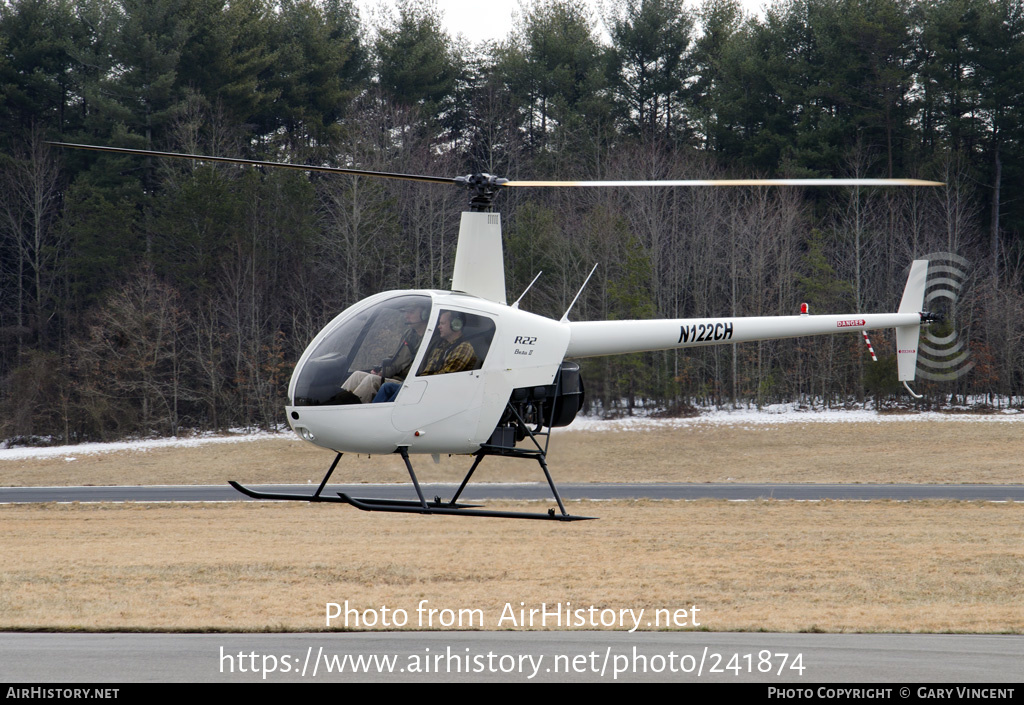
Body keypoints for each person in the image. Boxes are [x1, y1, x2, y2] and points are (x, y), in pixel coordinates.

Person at [372, 310, 477, 403]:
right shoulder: (443, 345)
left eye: (442, 323)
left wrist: (419, 382)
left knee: (405, 388)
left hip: (441, 393)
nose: (438, 327)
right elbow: (428, 369)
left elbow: (445, 377)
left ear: (456, 325)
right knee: (387, 387)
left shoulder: (464, 348)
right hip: (428, 386)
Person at [338, 302, 428, 403]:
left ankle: (350, 409)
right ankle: (335, 403)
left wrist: (385, 372)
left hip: (406, 381)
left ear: (425, 314)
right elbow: (396, 357)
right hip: (394, 375)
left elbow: (410, 366)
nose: (406, 316)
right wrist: (381, 369)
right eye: (406, 312)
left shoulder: (430, 339)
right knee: (357, 375)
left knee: (371, 380)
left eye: (411, 312)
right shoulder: (409, 334)